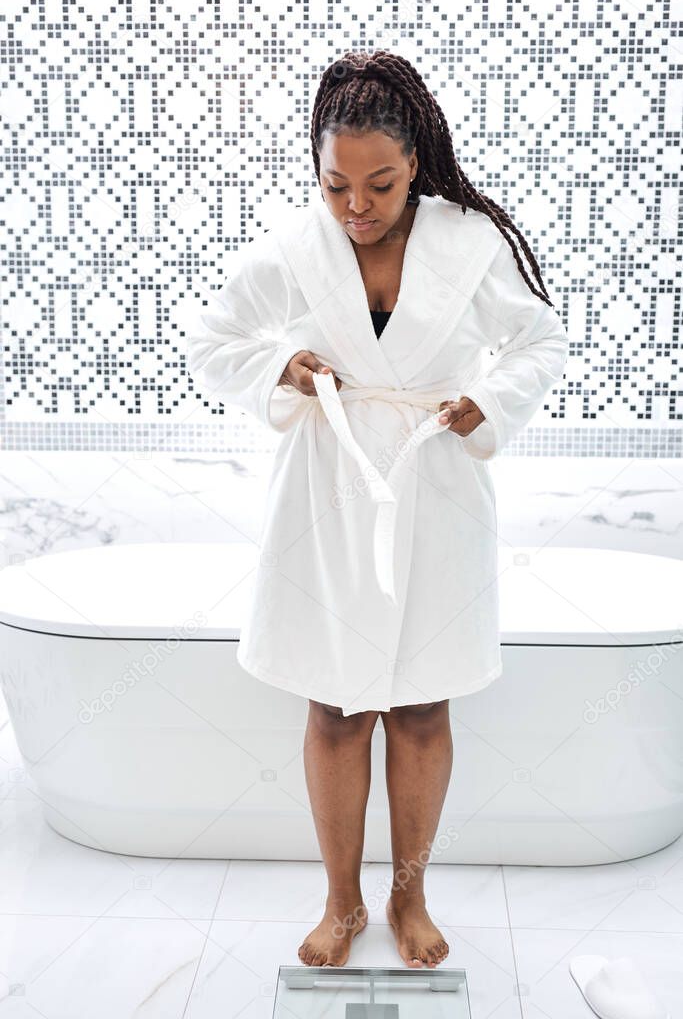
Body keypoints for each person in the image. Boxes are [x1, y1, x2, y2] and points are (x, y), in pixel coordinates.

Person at [186, 49, 569, 970]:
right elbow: (212, 336)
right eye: (336, 185)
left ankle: (410, 897)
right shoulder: (294, 246)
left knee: (424, 706)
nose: (356, 206)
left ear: (415, 167)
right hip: (329, 487)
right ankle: (340, 901)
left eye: (380, 185)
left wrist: (492, 402)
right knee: (334, 707)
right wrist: (281, 365)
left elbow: (539, 339)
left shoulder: (469, 244)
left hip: (433, 487)